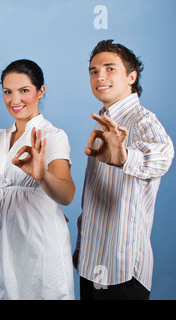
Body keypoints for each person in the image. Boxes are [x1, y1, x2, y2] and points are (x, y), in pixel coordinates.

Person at [73, 40, 174, 300]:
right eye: (93, 71)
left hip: (123, 269)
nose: (100, 76)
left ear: (131, 76)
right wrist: (82, 246)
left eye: (110, 69)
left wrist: (123, 157)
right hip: (91, 264)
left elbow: (163, 157)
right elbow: (93, 198)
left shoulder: (142, 119)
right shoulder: (103, 120)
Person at [0, 59, 75, 299]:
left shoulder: (52, 136)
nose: (15, 100)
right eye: (8, 92)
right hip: (4, 242)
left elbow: (66, 194)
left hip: (40, 243)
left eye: (24, 90)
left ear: (40, 91)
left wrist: (42, 176)